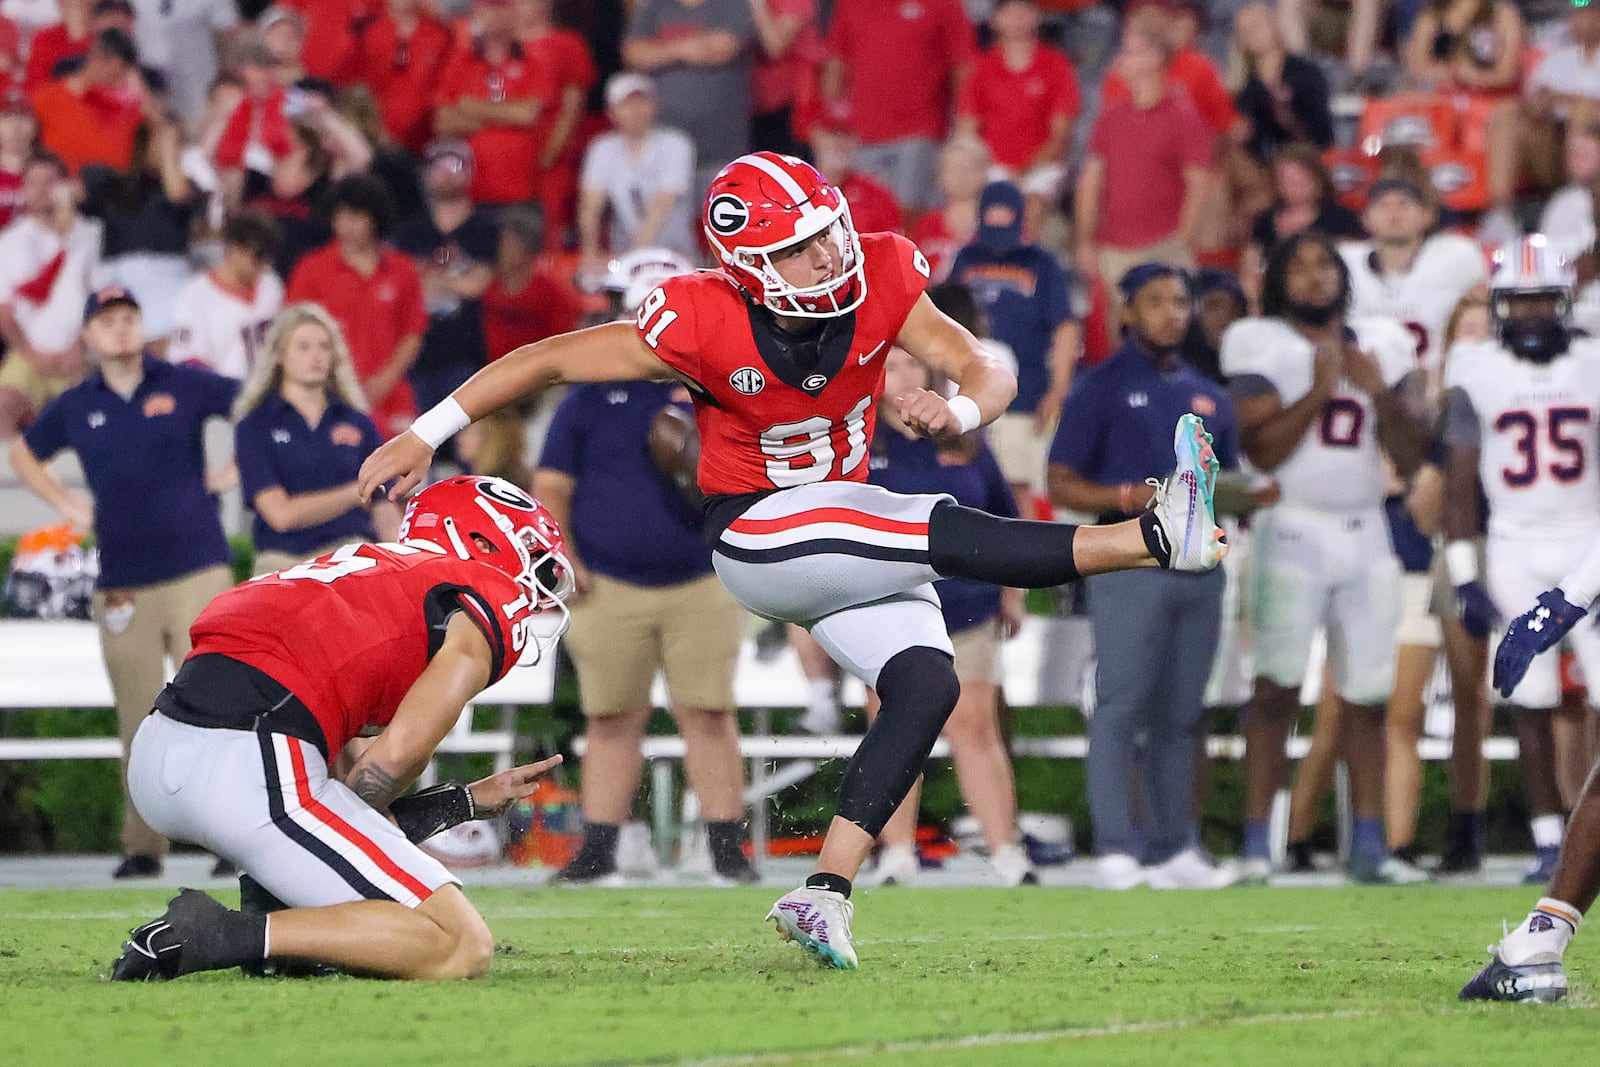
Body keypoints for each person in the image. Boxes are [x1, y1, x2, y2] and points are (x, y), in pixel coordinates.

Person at [358, 150, 1228, 969]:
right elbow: (550, 360)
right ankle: (1153, 536)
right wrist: (425, 430)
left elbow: (982, 365)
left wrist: (960, 414)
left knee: (927, 683)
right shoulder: (698, 315)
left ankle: (824, 890)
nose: (826, 254)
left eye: (827, 231)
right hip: (759, 534)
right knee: (925, 521)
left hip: (843, 535)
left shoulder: (883, 271)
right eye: (799, 246)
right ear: (749, 268)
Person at [106, 475, 573, 982]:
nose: (532, 581)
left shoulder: (359, 577)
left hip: (163, 753)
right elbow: (391, 761)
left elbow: (347, 801)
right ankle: (224, 934)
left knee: (342, 904)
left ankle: (279, 922)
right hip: (254, 763)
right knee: (459, 944)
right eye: (530, 556)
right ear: (477, 542)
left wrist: (459, 803)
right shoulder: (478, 592)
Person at [535, 247, 755, 887]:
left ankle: (726, 852)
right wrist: (565, 560)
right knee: (609, 719)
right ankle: (598, 850)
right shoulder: (591, 392)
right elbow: (551, 487)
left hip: (704, 578)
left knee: (709, 715)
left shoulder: (720, 384)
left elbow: (760, 472)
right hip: (608, 582)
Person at [9, 286, 238, 879]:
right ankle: (142, 846)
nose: (121, 329)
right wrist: (66, 505)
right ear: (87, 335)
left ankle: (231, 839)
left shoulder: (182, 381)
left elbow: (257, 405)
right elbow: (24, 453)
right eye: (108, 321)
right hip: (124, 579)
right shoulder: (76, 403)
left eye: (130, 317)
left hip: (198, 566)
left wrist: (240, 473)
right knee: (138, 717)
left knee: (218, 707)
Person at [1222, 231, 1430, 883]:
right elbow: (1261, 451)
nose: (1315, 276)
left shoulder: (1385, 343)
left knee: (1368, 696)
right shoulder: (1258, 342)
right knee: (1276, 689)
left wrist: (1378, 392)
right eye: (1300, 264)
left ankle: (1368, 847)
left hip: (1367, 527)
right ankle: (1259, 843)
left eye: (1326, 264)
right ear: (1279, 279)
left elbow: (1417, 453)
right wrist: (1319, 390)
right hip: (1290, 528)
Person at [1049, 263, 1240, 890]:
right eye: (1155, 302)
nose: (1171, 314)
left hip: (1199, 564)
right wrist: (1127, 494)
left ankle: (1171, 845)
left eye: (1180, 301)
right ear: (1126, 312)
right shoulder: (1100, 387)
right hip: (1128, 557)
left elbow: (1226, 482)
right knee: (1122, 699)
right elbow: (1060, 480)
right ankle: (1114, 845)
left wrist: (1246, 498)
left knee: (1182, 709)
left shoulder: (1207, 392)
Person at [1458, 243, 1600, 1003]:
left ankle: (1538, 942)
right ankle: (1540, 937)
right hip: (1527, 540)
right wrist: (1563, 596)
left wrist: (1568, 595)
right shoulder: (1480, 371)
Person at [861, 345, 1033, 889]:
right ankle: (895, 853)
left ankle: (1007, 852)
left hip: (968, 601)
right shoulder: (859, 443)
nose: (903, 375)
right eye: (890, 366)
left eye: (912, 364)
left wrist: (1013, 592)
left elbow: (1005, 516)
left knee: (976, 727)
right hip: (888, 608)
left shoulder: (965, 441)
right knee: (893, 728)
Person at [234, 303, 402, 574]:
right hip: (282, 562)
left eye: (324, 347)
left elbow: (384, 506)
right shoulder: (254, 425)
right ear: (279, 355)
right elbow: (281, 516)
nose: (317, 356)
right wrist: (356, 492)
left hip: (349, 554)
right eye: (303, 347)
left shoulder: (358, 422)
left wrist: (402, 558)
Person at [1075, 13, 1212, 337]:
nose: (1121, 59)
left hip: (1164, 245)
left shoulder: (1182, 115)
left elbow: (1199, 183)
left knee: (1169, 336)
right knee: (1119, 337)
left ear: (1154, 57)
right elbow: (1091, 182)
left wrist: (1183, 240)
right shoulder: (1111, 117)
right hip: (1115, 247)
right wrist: (1085, 240)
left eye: (1131, 51)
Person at [950, 181, 1079, 506]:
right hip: (968, 392)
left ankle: (1026, 557)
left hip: (1025, 396)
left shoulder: (1042, 263)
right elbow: (945, 317)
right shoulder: (965, 257)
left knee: (1018, 487)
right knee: (966, 486)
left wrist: (1058, 389)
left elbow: (1065, 327)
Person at [286, 174, 427, 438]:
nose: (345, 226)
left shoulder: (402, 269)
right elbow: (295, 330)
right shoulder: (312, 268)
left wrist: (386, 379)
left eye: (355, 217)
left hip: (391, 395)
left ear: (374, 218)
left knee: (403, 473)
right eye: (340, 217)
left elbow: (413, 332)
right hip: (329, 396)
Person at [820, 0, 973, 214]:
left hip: (919, 132)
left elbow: (962, 69)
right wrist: (833, 122)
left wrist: (962, 127)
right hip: (863, 136)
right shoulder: (851, 4)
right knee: (864, 215)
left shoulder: (944, 4)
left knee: (909, 212)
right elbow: (837, 62)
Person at [389, 140, 497, 419]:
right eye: (438, 167)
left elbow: (480, 285)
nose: (446, 173)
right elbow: (402, 288)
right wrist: (457, 282)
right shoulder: (409, 232)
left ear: (470, 173)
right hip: (417, 356)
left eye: (455, 166)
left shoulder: (488, 230)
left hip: (468, 354)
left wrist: (432, 281)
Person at [1340, 175, 1488, 375]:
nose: (1393, 214)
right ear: (1365, 219)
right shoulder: (1345, 262)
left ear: (1427, 215)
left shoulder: (1457, 256)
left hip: (1438, 381)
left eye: (1403, 204)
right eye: (1383, 205)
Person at [0, 152, 102, 438]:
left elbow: (101, 300)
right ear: (23, 189)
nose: (42, 189)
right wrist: (32, 355)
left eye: (50, 181)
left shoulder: (91, 235)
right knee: (3, 408)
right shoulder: (9, 242)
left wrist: (80, 346)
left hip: (80, 355)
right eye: (33, 182)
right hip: (28, 355)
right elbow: (4, 314)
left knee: (98, 418)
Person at [79, 111, 199, 347]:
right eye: (159, 140)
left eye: (175, 144)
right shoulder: (113, 183)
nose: (167, 147)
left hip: (165, 276)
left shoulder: (186, 185)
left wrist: (168, 150)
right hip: (117, 277)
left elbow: (178, 194)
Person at [622, 0, 756, 202]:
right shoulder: (655, 6)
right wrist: (684, 48)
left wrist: (659, 50)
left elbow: (722, 48)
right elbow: (633, 53)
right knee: (666, 226)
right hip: (665, 141)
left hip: (721, 144)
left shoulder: (732, 4)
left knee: (722, 221)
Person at [953, 0, 1079, 204]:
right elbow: (967, 129)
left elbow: (1061, 135)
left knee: (1033, 204)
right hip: (992, 167)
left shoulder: (1056, 65)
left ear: (1037, 16)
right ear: (994, 19)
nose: (1016, 19)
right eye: (1009, 12)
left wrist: (1023, 172)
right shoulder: (982, 68)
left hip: (1042, 167)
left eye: (1023, 11)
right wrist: (985, 168)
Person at [577, 73, 697, 279]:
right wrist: (590, 254)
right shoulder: (602, 148)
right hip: (624, 253)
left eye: (642, 103)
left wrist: (634, 257)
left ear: (654, 106)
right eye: (627, 104)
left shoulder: (676, 144)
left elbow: (662, 204)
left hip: (673, 255)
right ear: (611, 111)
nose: (636, 111)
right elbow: (590, 205)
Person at [432, 0, 551, 209]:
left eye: (501, 7)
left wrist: (470, 107)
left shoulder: (534, 62)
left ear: (514, 12)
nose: (496, 15)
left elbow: (527, 115)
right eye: (489, 7)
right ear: (477, 11)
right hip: (468, 193)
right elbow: (443, 123)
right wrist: (506, 114)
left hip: (522, 191)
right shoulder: (459, 63)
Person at [168, 211, 285, 381]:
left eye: (269, 258)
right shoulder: (195, 294)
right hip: (221, 392)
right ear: (233, 248)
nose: (265, 266)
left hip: (269, 392)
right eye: (258, 257)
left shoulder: (271, 285)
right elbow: (187, 361)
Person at [1231, 3, 1334, 164]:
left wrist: (1288, 115)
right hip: (1261, 163)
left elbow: (1321, 131)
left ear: (1273, 26)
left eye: (1257, 26)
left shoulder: (1304, 72)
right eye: (1244, 31)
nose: (1252, 34)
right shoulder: (1244, 85)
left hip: (1306, 158)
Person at [354, 0, 457, 156]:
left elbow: (447, 95)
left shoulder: (442, 35)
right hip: (373, 145)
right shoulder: (365, 31)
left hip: (425, 146)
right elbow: (354, 92)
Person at [908, 135, 990, 285]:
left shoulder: (997, 221)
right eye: (953, 168)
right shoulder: (927, 224)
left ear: (984, 173)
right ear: (940, 176)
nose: (961, 176)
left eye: (969, 168)